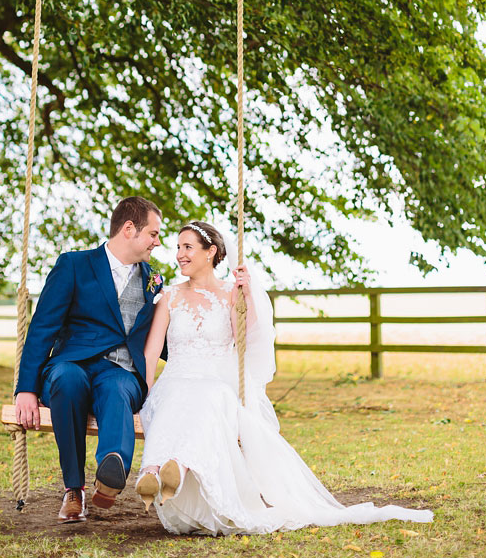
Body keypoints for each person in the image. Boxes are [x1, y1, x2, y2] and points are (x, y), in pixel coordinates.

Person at [134, 221, 434, 535]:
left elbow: (244, 339)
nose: (179, 255)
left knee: (211, 399)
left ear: (210, 252)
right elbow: (151, 352)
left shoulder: (229, 293)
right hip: (177, 378)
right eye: (178, 247)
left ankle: (176, 468)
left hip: (214, 382)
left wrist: (247, 296)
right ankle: (153, 472)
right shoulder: (169, 296)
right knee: (172, 398)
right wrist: (149, 392)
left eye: (187, 247)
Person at [13, 196, 166, 524]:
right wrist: (25, 388)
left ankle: (112, 473)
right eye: (153, 233)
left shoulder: (153, 280)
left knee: (118, 389)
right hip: (72, 363)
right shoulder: (74, 265)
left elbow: (160, 338)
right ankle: (73, 489)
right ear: (129, 229)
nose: (158, 241)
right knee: (67, 380)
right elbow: (42, 328)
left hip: (123, 369)